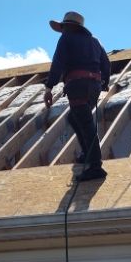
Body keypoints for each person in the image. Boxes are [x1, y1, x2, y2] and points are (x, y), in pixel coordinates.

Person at [44, 11, 111, 183]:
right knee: (75, 118)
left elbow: (58, 63)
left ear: (66, 26)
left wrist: (49, 87)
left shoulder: (66, 38)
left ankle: (95, 166)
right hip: (93, 87)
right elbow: (106, 63)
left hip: (78, 86)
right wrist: (104, 83)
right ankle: (87, 155)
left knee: (86, 124)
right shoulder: (95, 41)